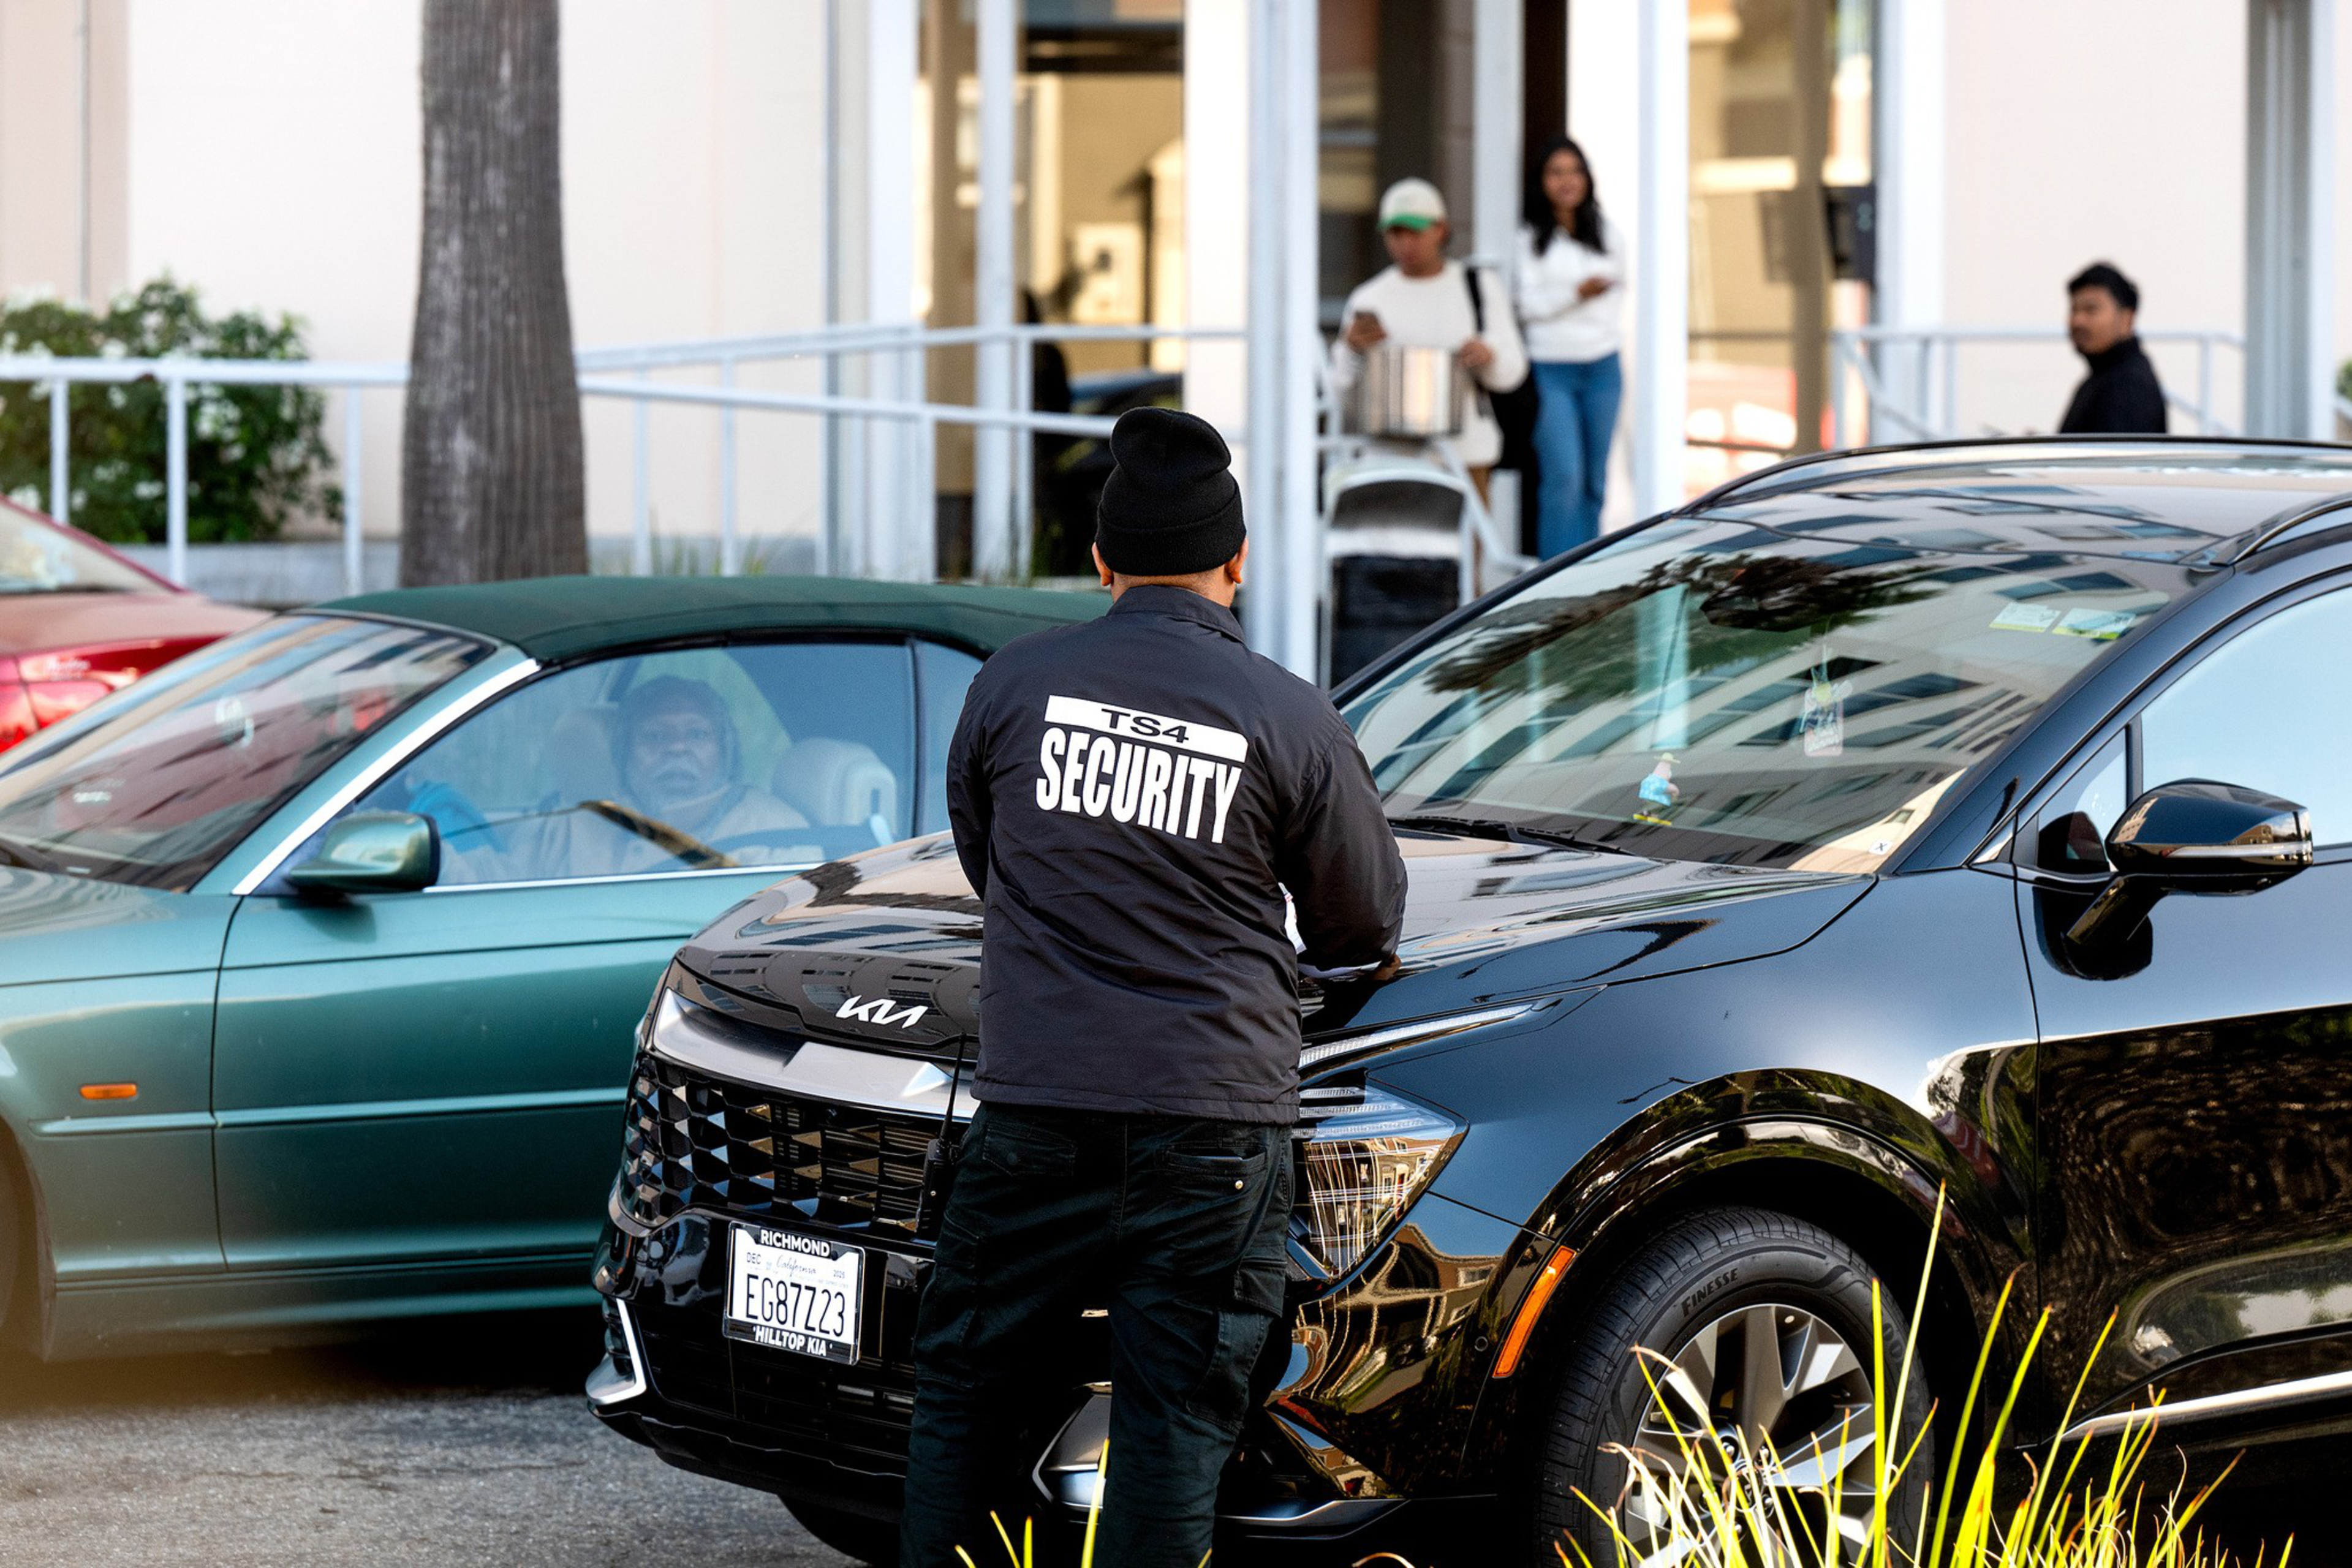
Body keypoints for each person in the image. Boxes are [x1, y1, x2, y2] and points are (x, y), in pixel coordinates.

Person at [900, 407, 1410, 1568]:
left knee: (966, 1391)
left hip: (1036, 1109)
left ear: (1100, 563)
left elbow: (991, 863)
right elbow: (1358, 924)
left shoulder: (1012, 686)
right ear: (1236, 563)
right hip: (1213, 1125)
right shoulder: (1291, 715)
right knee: (1173, 1422)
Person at [1328, 177, 1529, 500]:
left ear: (1440, 230)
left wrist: (1487, 354)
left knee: (1467, 547)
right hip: (1390, 455)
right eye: (1396, 233)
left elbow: (1513, 371)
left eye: (1415, 231)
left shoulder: (1476, 285)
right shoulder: (1369, 297)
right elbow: (1340, 391)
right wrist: (1351, 349)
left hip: (1466, 453)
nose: (1406, 243)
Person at [1514, 135, 1625, 557]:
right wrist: (1574, 295)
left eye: (1574, 171)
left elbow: (1616, 293)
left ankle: (1587, 574)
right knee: (1564, 476)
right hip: (1550, 368)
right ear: (1541, 181)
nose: (1567, 181)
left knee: (1595, 481)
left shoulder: (1607, 233)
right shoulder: (1528, 239)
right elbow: (1527, 307)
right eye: (1556, 172)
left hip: (1602, 366)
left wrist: (1568, 301)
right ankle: (1554, 581)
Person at [2059, 261, 2168, 434]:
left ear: (2127, 318)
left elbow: (2116, 459)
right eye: (2074, 309)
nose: (2078, 321)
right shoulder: (2104, 377)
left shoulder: (2128, 385)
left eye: (2091, 310)